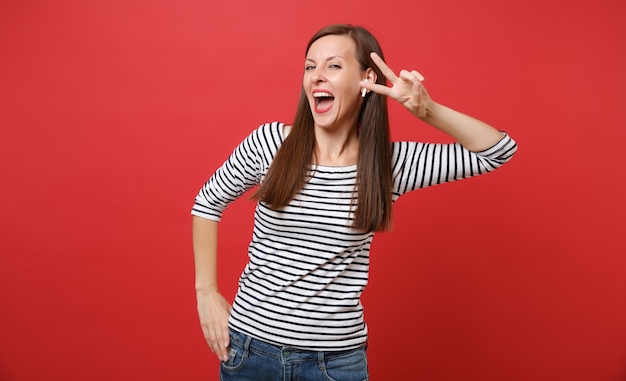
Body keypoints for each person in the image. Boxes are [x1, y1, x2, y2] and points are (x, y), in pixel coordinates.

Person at [191, 24, 517, 381]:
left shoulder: (389, 164)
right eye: (310, 66)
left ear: (367, 79)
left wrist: (427, 111)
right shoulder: (270, 143)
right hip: (250, 353)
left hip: (334, 365)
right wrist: (206, 292)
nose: (317, 76)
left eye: (333, 66)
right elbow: (208, 201)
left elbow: (497, 151)